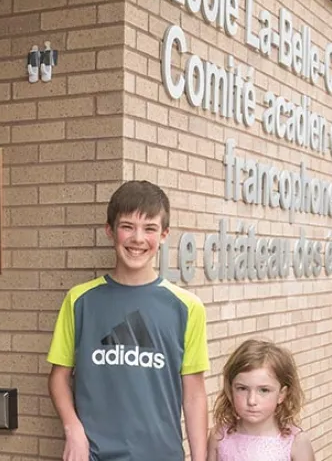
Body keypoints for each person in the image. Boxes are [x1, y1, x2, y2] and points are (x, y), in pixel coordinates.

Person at [46, 180, 210, 461]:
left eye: (150, 228)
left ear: (164, 235)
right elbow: (59, 378)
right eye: (127, 226)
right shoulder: (80, 300)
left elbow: (194, 394)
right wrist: (73, 430)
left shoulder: (187, 307)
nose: (137, 238)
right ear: (110, 231)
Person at [207, 339, 314, 461]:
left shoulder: (297, 443)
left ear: (281, 394)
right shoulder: (219, 436)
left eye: (264, 390)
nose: (251, 401)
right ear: (230, 389)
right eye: (242, 388)